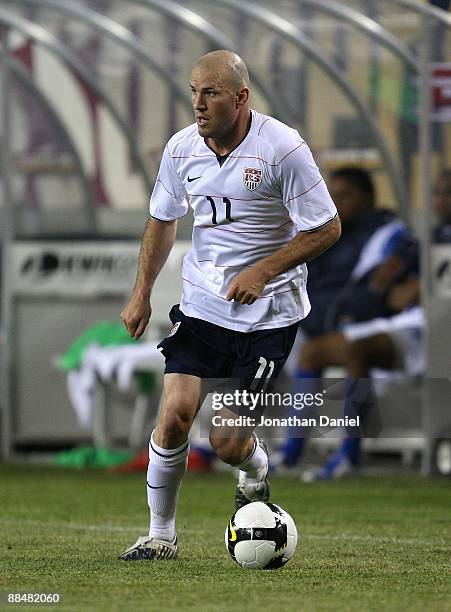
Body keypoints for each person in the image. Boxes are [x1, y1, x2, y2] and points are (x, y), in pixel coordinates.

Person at [119, 50, 340, 561]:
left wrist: (264, 271)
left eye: (211, 93)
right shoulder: (180, 150)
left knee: (226, 442)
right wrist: (141, 293)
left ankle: (255, 470)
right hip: (201, 307)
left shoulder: (282, 148)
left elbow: (326, 227)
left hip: (268, 317)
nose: (198, 103)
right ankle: (160, 536)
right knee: (174, 415)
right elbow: (161, 220)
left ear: (241, 98)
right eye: (193, 91)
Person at [275, 167, 418, 469]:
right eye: (333, 195)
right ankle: (225, 446)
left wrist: (400, 259)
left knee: (325, 351)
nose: (336, 202)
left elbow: (401, 263)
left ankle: (340, 453)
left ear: (367, 197)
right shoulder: (327, 233)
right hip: (310, 324)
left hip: (365, 326)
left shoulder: (387, 233)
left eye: (345, 195)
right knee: (248, 339)